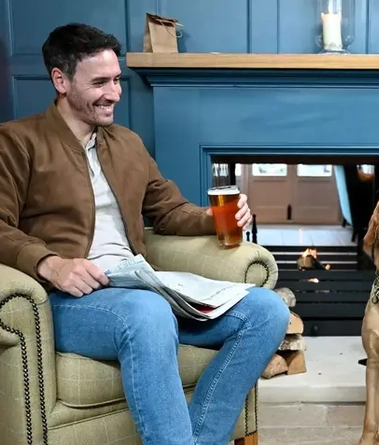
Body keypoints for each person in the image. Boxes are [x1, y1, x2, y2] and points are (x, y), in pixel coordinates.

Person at [0, 23, 290, 445]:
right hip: (70, 302)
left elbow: (169, 212)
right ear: (60, 80)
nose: (114, 93)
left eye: (117, 79)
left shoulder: (128, 144)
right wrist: (51, 263)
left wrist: (216, 218)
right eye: (99, 82)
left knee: (267, 311)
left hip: (143, 287)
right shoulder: (17, 142)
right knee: (147, 312)